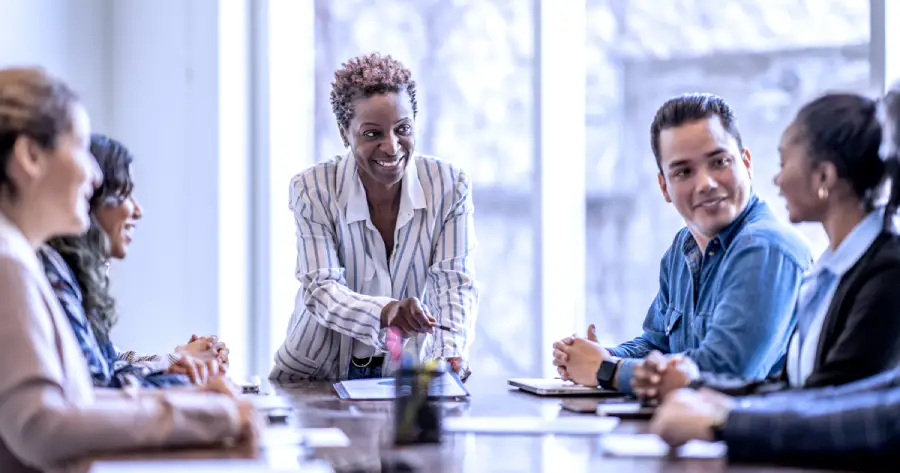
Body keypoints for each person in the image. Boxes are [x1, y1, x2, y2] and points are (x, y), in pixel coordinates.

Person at [0, 67, 258, 473]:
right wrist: (210, 416)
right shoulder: (7, 263)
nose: (96, 175)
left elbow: (77, 399)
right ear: (30, 156)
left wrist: (198, 402)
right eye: (81, 147)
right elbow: (42, 426)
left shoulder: (17, 257)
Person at [649, 87, 900, 467]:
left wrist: (724, 418)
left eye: (784, 162)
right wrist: (702, 389)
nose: (777, 179)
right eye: (683, 170)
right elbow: (798, 388)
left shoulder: (887, 272)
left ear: (824, 176)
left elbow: (840, 403)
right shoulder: (831, 273)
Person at [552, 93, 812, 394]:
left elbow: (723, 372)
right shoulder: (683, 248)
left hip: (751, 436)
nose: (706, 183)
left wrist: (606, 370)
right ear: (665, 186)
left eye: (719, 162)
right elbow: (657, 344)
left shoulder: (765, 248)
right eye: (684, 171)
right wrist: (599, 357)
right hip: (689, 432)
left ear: (746, 163)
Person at [270, 53, 478, 381]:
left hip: (403, 377)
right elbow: (321, 289)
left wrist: (449, 351)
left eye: (402, 129)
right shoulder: (312, 188)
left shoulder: (449, 186)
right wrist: (385, 311)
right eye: (372, 134)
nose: (392, 147)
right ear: (344, 133)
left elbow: (453, 281)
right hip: (314, 377)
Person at [43, 133, 229, 389]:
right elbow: (96, 389)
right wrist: (182, 381)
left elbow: (107, 362)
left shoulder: (71, 273)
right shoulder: (52, 272)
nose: (137, 210)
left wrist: (176, 362)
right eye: (123, 194)